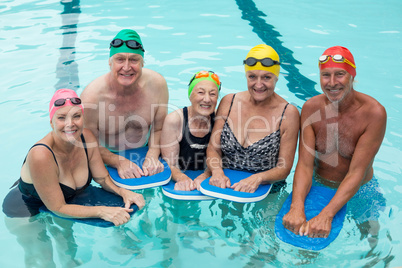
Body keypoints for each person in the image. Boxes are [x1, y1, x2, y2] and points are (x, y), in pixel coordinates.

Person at [282, 46, 387, 247]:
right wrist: (297, 205)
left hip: (360, 190)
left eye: (340, 74)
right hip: (318, 184)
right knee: (303, 242)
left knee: (371, 242)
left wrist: (327, 214)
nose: (332, 83)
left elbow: (356, 173)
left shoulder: (374, 114)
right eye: (325, 75)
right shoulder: (311, 108)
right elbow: (304, 165)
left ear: (352, 75)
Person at [2, 89, 145, 225]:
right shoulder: (41, 155)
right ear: (51, 122)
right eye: (61, 118)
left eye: (76, 116)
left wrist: (123, 192)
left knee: (69, 247)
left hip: (68, 204)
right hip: (25, 210)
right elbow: (57, 208)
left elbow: (102, 178)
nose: (70, 124)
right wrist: (102, 211)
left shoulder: (87, 138)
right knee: (42, 250)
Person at [206, 44, 300, 193]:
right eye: (252, 77)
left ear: (276, 78)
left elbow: (284, 168)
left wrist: (258, 178)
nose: (259, 84)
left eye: (266, 77)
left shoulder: (288, 113)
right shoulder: (229, 102)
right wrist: (217, 172)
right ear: (246, 76)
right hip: (225, 185)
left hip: (266, 192)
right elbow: (213, 149)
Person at [80, 29, 169, 179]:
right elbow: (88, 145)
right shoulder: (92, 98)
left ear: (142, 62)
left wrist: (153, 153)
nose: (126, 67)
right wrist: (117, 161)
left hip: (144, 153)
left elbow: (159, 128)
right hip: (106, 160)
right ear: (109, 62)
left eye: (134, 60)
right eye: (120, 59)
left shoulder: (157, 85)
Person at [161, 71, 220, 191]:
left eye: (212, 94)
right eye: (200, 93)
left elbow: (222, 157)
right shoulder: (175, 120)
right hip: (180, 173)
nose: (207, 99)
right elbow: (169, 164)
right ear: (190, 95)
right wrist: (181, 178)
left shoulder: (220, 121)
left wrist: (206, 175)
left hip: (206, 175)